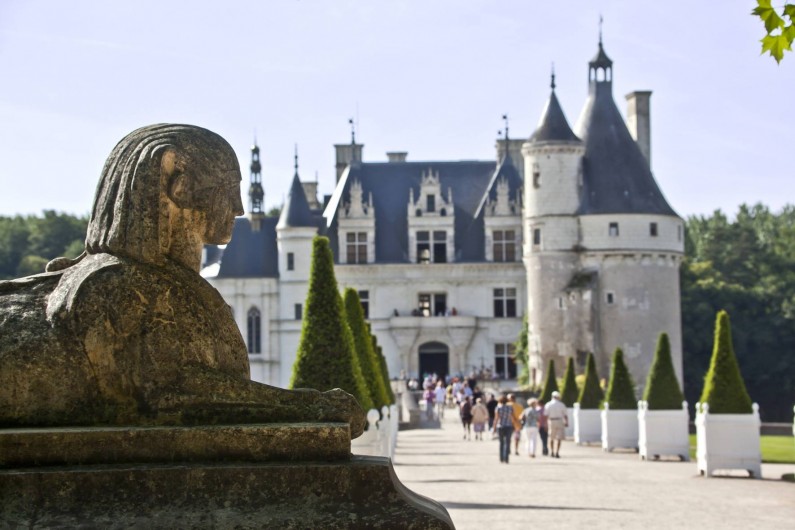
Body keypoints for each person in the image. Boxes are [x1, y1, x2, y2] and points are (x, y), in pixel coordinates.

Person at [0, 124, 365, 436]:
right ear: (180, 186)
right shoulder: (117, 287)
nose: (238, 208)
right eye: (228, 188)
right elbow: (168, 393)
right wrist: (309, 405)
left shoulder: (155, 282)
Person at [544, 391, 569, 458]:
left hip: (552, 421)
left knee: (551, 437)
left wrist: (545, 424)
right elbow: (565, 415)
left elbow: (546, 415)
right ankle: (557, 452)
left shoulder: (548, 404)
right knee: (559, 438)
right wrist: (566, 422)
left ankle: (552, 452)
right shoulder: (561, 404)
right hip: (559, 421)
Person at [492, 395, 515, 463]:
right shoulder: (510, 408)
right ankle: (506, 458)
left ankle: (501, 458)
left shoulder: (498, 408)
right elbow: (512, 418)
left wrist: (494, 428)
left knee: (501, 443)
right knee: (508, 442)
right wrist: (513, 425)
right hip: (509, 426)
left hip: (500, 426)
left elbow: (496, 419)